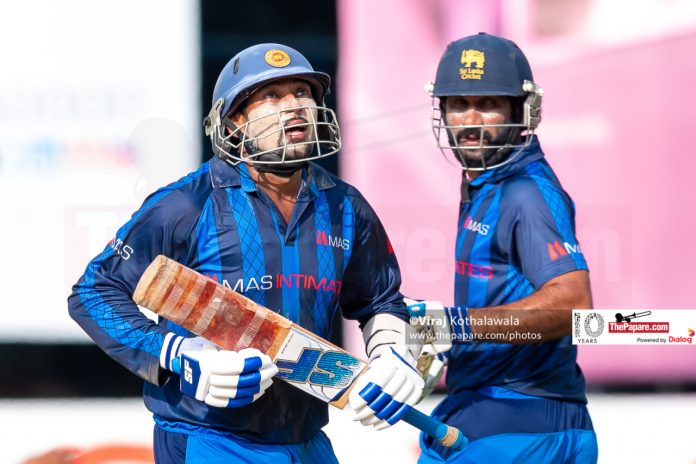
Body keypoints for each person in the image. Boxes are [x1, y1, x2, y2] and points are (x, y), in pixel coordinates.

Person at [68, 43, 423, 464]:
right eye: (271, 96)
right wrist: (180, 355)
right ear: (234, 123)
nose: (293, 105)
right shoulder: (186, 203)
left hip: (308, 439)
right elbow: (94, 293)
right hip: (208, 438)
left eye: (302, 92)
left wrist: (392, 353)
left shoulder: (346, 205)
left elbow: (379, 301)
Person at [412, 33, 598, 463]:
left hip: (523, 420)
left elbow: (573, 305)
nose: (470, 119)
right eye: (458, 104)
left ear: (522, 111)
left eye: (488, 104)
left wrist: (452, 327)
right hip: (492, 411)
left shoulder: (524, 191)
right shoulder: (487, 182)